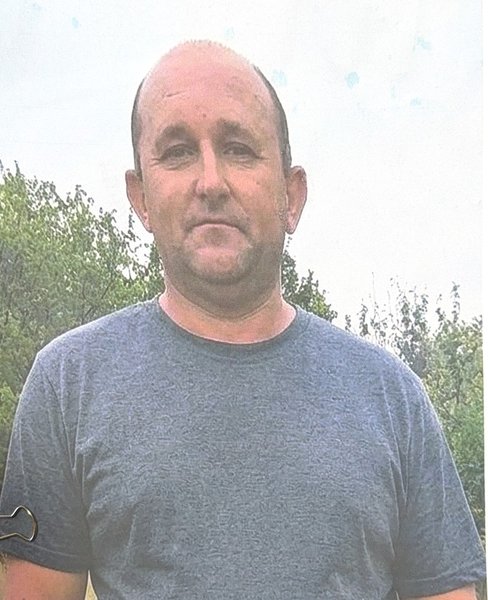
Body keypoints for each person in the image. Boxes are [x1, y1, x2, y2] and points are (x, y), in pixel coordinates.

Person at [0, 41, 484, 600]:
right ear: (141, 198)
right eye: (177, 152)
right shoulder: (67, 385)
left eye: (238, 149)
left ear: (291, 196)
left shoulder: (392, 397)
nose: (210, 182)